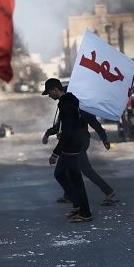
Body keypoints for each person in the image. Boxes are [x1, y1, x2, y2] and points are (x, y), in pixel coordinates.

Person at [42, 91, 116, 205]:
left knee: (80, 169)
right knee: (67, 169)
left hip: (78, 143)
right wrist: (48, 133)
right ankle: (70, 195)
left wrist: (104, 138)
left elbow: (94, 124)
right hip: (73, 143)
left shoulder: (80, 108)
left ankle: (106, 192)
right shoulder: (66, 108)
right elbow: (59, 126)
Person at [42, 78, 92, 222]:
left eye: (49, 93)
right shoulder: (67, 102)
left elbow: (69, 129)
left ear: (56, 89)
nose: (49, 96)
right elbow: (69, 126)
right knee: (59, 173)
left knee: (77, 180)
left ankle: (85, 212)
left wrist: (55, 153)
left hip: (71, 145)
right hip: (71, 143)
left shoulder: (66, 104)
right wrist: (54, 133)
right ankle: (77, 205)